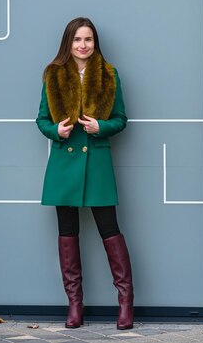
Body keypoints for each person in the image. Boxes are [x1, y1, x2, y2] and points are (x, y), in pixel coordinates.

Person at [36, 17, 133, 330]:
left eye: (88, 39)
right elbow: (40, 120)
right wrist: (57, 131)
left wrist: (100, 127)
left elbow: (121, 119)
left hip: (97, 164)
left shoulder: (109, 75)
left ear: (95, 43)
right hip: (64, 165)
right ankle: (74, 305)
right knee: (67, 233)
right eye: (77, 39)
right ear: (69, 42)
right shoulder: (53, 75)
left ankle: (125, 302)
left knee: (110, 229)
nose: (83, 45)